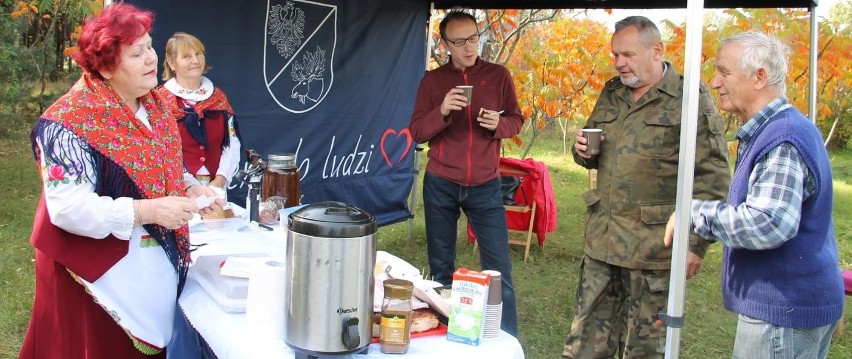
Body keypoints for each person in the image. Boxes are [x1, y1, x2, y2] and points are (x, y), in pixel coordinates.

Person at [19, 3, 222, 358]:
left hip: (147, 261)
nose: (150, 59)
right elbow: (68, 209)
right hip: (90, 272)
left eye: (149, 46)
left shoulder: (155, 104)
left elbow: (166, 164)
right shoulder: (70, 122)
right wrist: (147, 211)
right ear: (107, 66)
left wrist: (191, 187)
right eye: (136, 53)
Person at [664, 32, 845, 358]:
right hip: (796, 306)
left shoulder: (783, 137)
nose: (715, 82)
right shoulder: (781, 128)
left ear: (760, 76)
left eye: (724, 72)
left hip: (783, 311)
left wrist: (691, 212)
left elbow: (769, 223)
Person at [563, 16, 731, 358]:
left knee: (643, 350)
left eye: (627, 54)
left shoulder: (690, 99)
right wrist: (581, 152)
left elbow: (713, 177)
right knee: (584, 345)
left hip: (653, 252)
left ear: (657, 51)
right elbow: (591, 151)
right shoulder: (612, 93)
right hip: (602, 243)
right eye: (614, 55)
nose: (619, 63)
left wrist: (696, 245)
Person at [408, 10, 524, 336]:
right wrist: (442, 110)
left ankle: (507, 342)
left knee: (498, 271)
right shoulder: (433, 81)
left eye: (473, 38)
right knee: (440, 270)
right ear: (445, 43)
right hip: (441, 182)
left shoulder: (498, 76)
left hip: (486, 184)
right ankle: (445, 338)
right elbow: (417, 131)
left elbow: (516, 118)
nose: (469, 47)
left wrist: (498, 125)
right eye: (459, 42)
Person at [156, 32, 241, 199]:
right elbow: (160, 149)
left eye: (198, 54)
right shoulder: (160, 101)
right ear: (172, 63)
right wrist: (188, 184)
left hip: (215, 191)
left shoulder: (218, 98)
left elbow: (232, 142)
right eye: (187, 56)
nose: (195, 60)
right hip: (177, 191)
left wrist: (220, 180)